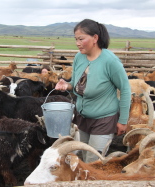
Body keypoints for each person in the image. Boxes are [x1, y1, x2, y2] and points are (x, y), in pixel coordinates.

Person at [55, 19, 131, 163]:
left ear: (95, 38)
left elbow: (126, 90)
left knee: (93, 161)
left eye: (81, 39)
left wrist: (123, 120)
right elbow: (77, 84)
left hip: (103, 120)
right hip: (82, 118)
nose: (77, 43)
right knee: (82, 156)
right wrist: (67, 85)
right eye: (76, 39)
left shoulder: (110, 62)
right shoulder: (79, 57)